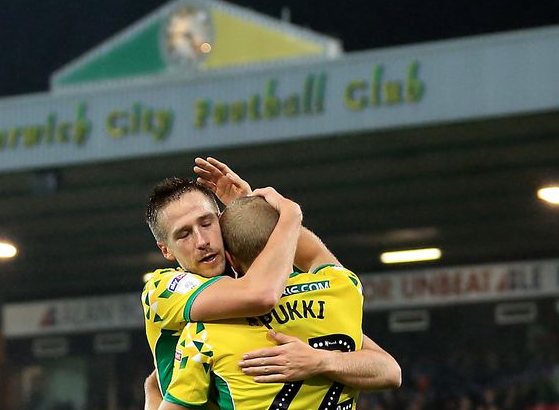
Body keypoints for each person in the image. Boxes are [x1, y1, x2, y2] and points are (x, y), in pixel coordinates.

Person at [143, 157, 400, 409]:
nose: (202, 241)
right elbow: (261, 294)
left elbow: (388, 369)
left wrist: (322, 360)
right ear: (166, 250)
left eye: (207, 223)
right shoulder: (162, 290)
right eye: (184, 234)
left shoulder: (282, 294)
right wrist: (285, 215)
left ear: (221, 221)